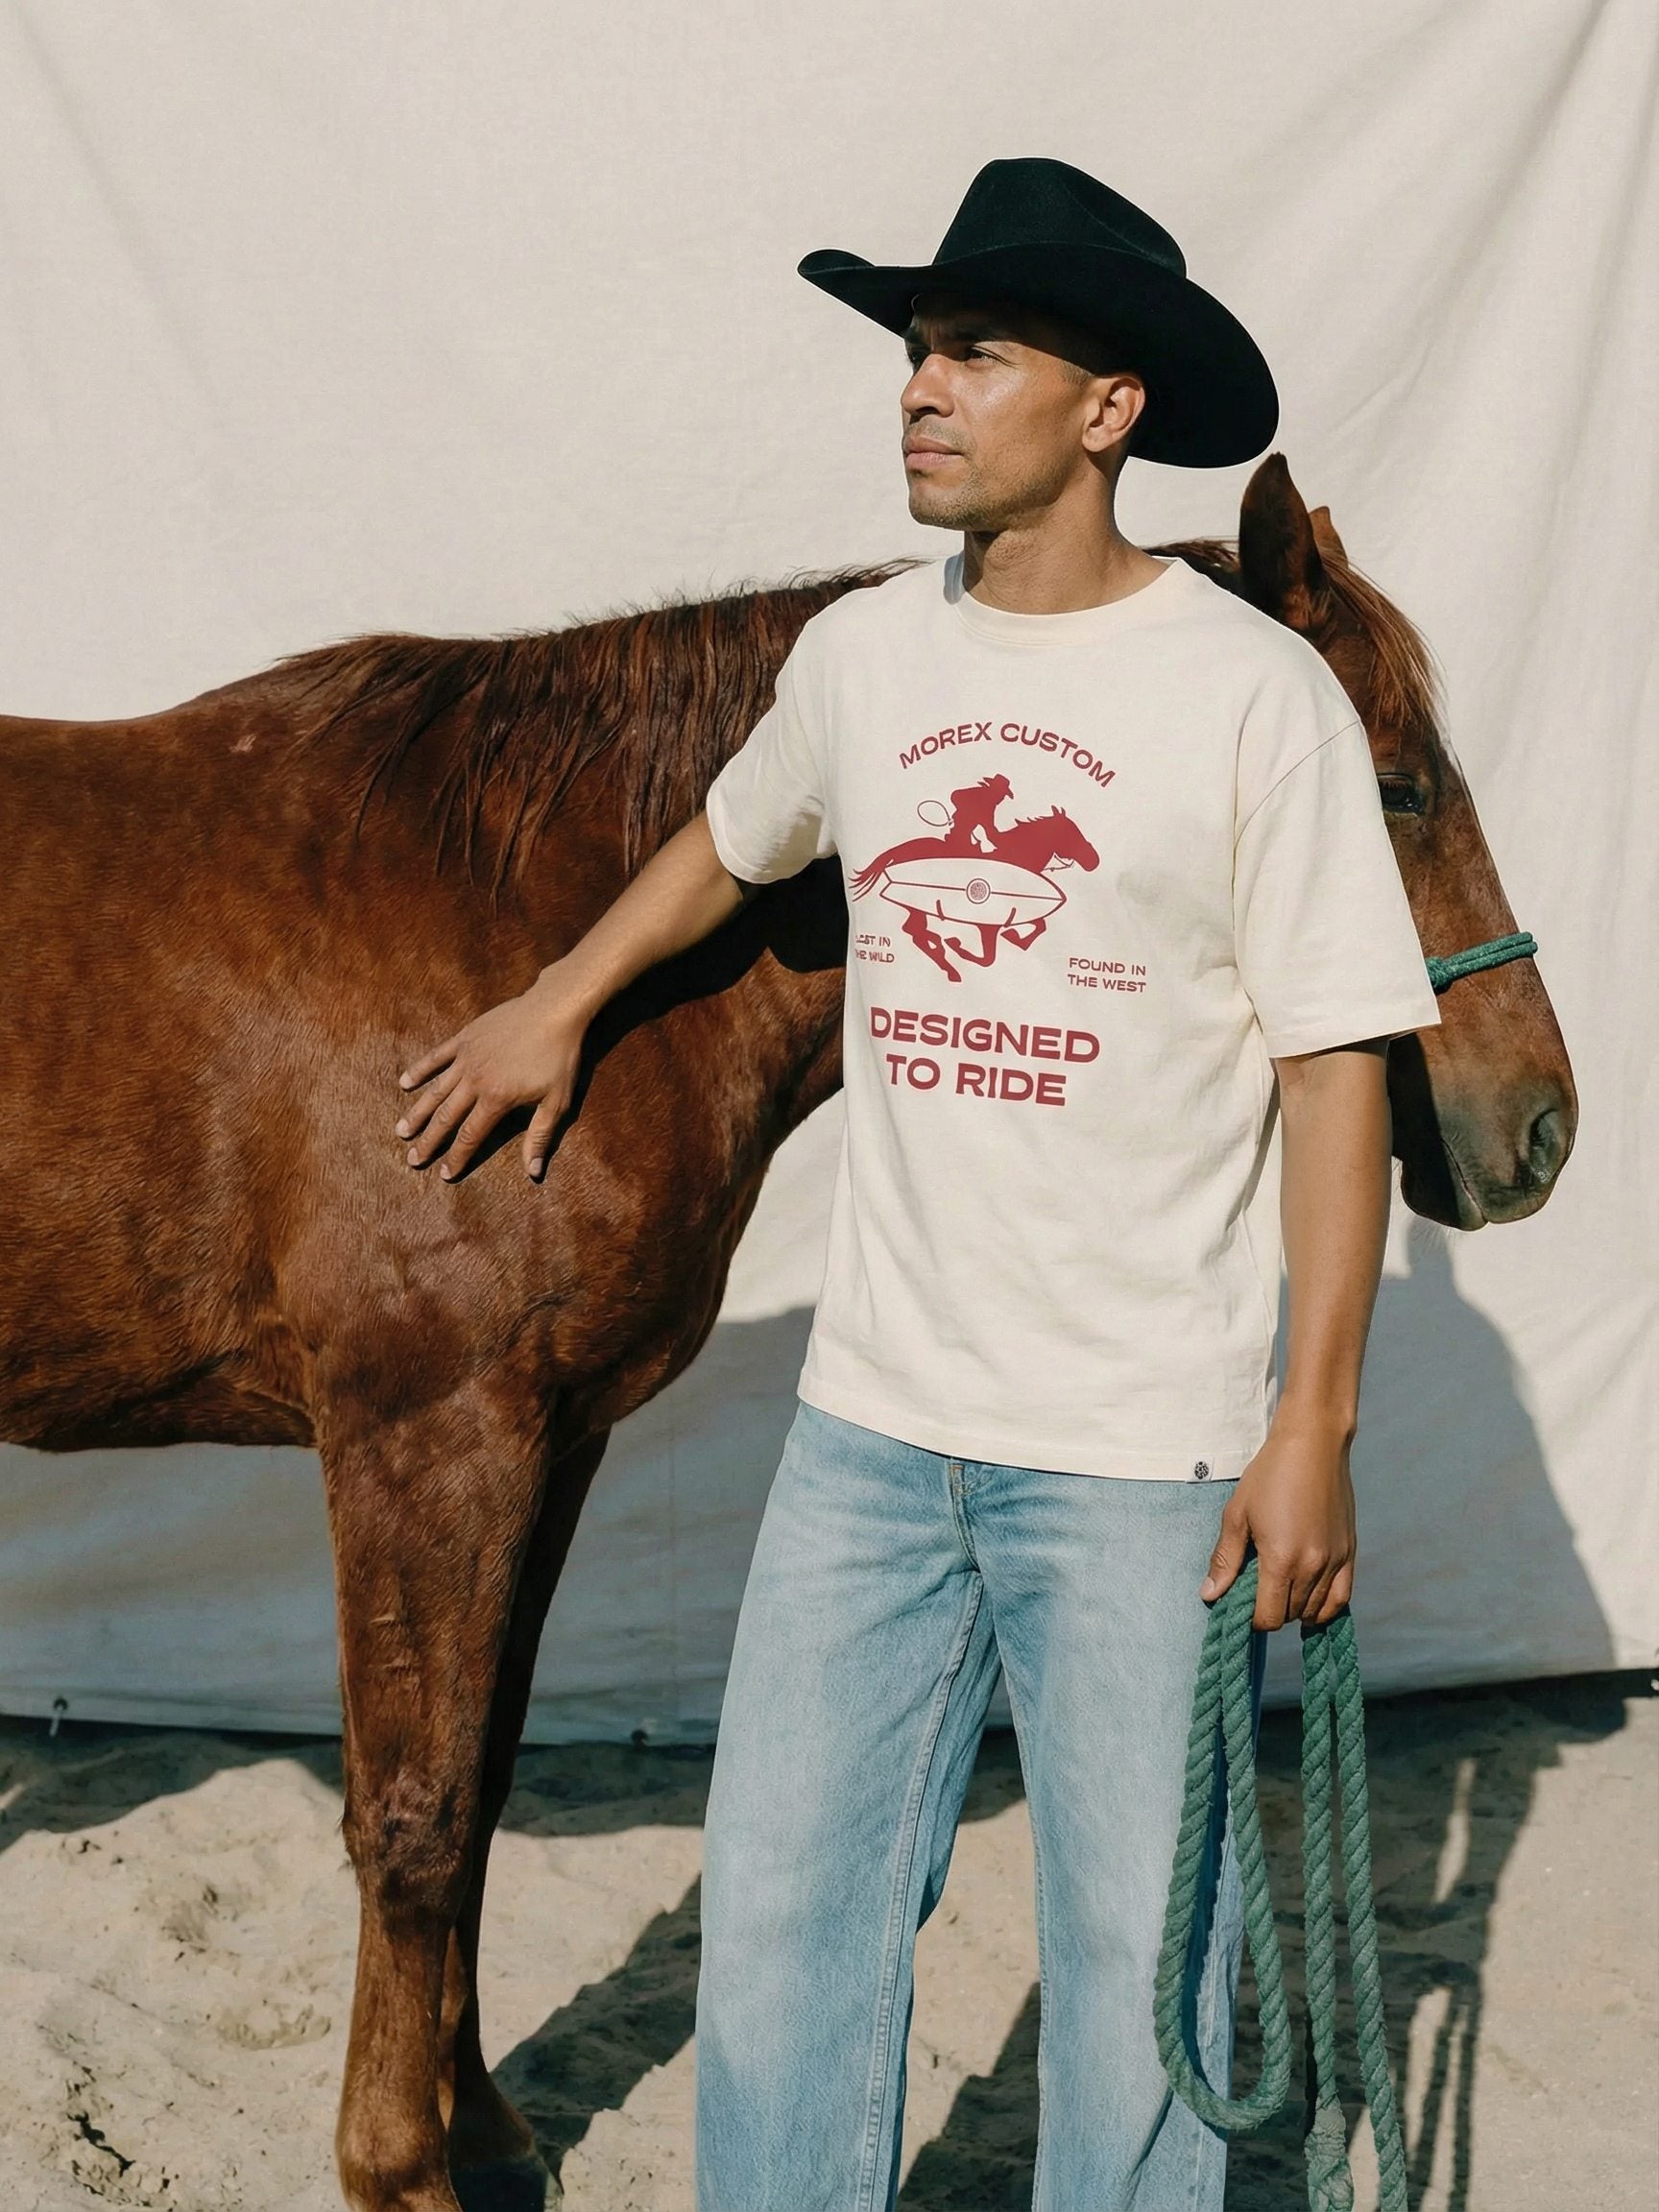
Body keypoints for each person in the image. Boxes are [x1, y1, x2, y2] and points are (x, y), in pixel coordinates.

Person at [393, 157, 1441, 2211]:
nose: (919, 390)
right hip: (870, 1443)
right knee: (783, 1946)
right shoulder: (872, 657)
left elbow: (1337, 1070)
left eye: (975, 352)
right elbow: (732, 836)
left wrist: (1312, 1424)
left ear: (1108, 410)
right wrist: (559, 997)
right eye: (911, 352)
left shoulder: (1255, 700)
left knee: (1150, 1985)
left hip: (1143, 1464)